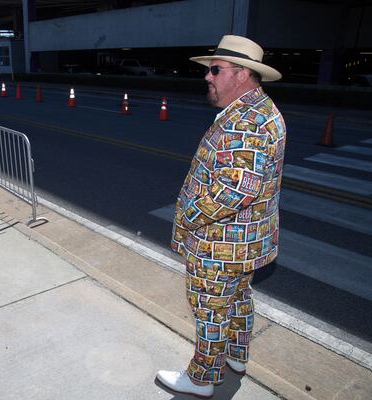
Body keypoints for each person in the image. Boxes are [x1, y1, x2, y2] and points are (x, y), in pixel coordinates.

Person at [156, 35, 286, 398]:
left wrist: (187, 215)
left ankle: (201, 379)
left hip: (219, 243)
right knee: (238, 300)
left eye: (215, 69)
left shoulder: (245, 121)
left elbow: (235, 190)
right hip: (244, 243)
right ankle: (237, 356)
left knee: (210, 309)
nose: (207, 76)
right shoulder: (257, 109)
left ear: (242, 74)